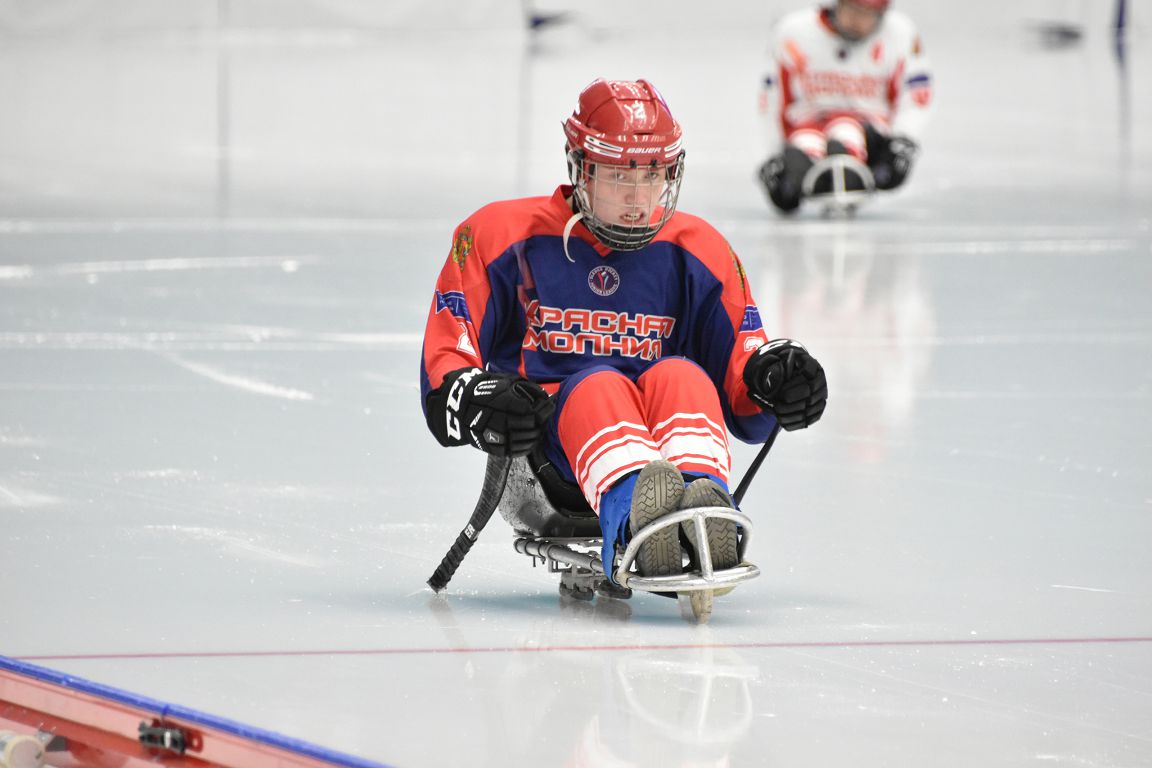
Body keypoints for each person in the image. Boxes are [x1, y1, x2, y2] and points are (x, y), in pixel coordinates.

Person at [420, 78, 827, 583]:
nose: (638, 198)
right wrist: (475, 398)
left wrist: (776, 383)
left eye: (652, 175)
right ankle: (637, 520)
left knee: (683, 377)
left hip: (661, 446)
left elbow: (744, 394)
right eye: (618, 176)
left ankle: (701, 506)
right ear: (580, 168)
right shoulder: (499, 235)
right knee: (599, 386)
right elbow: (447, 359)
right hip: (547, 463)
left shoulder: (701, 249)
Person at [757, 0, 934, 212]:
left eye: (867, 14)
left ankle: (847, 168)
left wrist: (902, 141)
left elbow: (916, 97)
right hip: (808, 124)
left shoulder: (900, 34)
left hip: (870, 133)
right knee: (802, 147)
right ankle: (808, 169)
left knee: (845, 130)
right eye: (852, 9)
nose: (857, 21)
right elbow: (773, 100)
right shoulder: (794, 32)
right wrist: (775, 154)